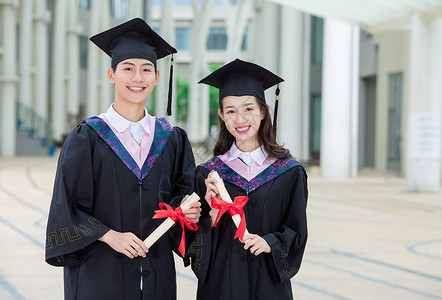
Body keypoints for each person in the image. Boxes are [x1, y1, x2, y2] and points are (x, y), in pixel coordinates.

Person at [45, 18, 201, 300]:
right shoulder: (87, 138)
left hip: (156, 278)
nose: (137, 78)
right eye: (128, 68)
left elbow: (184, 197)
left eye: (146, 70)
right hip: (99, 277)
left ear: (156, 76)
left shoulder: (172, 139)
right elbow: (66, 208)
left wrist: (188, 213)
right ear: (111, 74)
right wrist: (109, 235)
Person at [189, 59, 308, 299]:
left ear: (263, 111)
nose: (240, 119)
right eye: (231, 111)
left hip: (268, 285)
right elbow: (194, 242)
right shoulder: (208, 173)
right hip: (220, 286)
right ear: (221, 115)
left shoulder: (289, 172)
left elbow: (296, 231)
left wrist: (271, 243)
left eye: (248, 108)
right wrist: (212, 213)